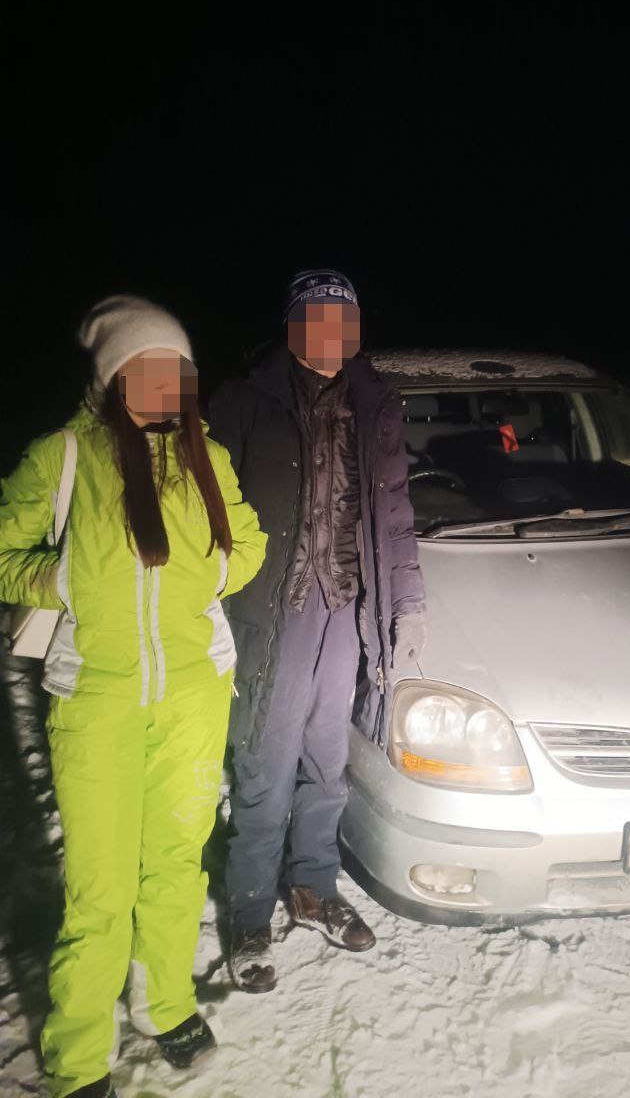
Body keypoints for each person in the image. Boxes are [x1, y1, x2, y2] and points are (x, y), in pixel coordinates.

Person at [0, 296, 267, 1098]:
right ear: (112, 378)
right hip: (96, 700)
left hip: (193, 696)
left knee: (177, 868)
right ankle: (81, 1057)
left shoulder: (205, 457)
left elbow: (251, 544)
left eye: (175, 370)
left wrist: (213, 574)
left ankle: (164, 1005)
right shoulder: (62, 457)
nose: (162, 384)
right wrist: (61, 582)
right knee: (100, 889)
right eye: (144, 369)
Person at [208, 268, 426, 992]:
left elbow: (395, 516)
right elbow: (209, 515)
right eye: (318, 319)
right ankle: (248, 914)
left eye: (345, 320)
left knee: (328, 759)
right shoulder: (245, 401)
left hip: (346, 609)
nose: (333, 335)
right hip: (273, 612)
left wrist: (407, 605)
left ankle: (313, 887)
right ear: (293, 325)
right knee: (265, 764)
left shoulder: (375, 404)